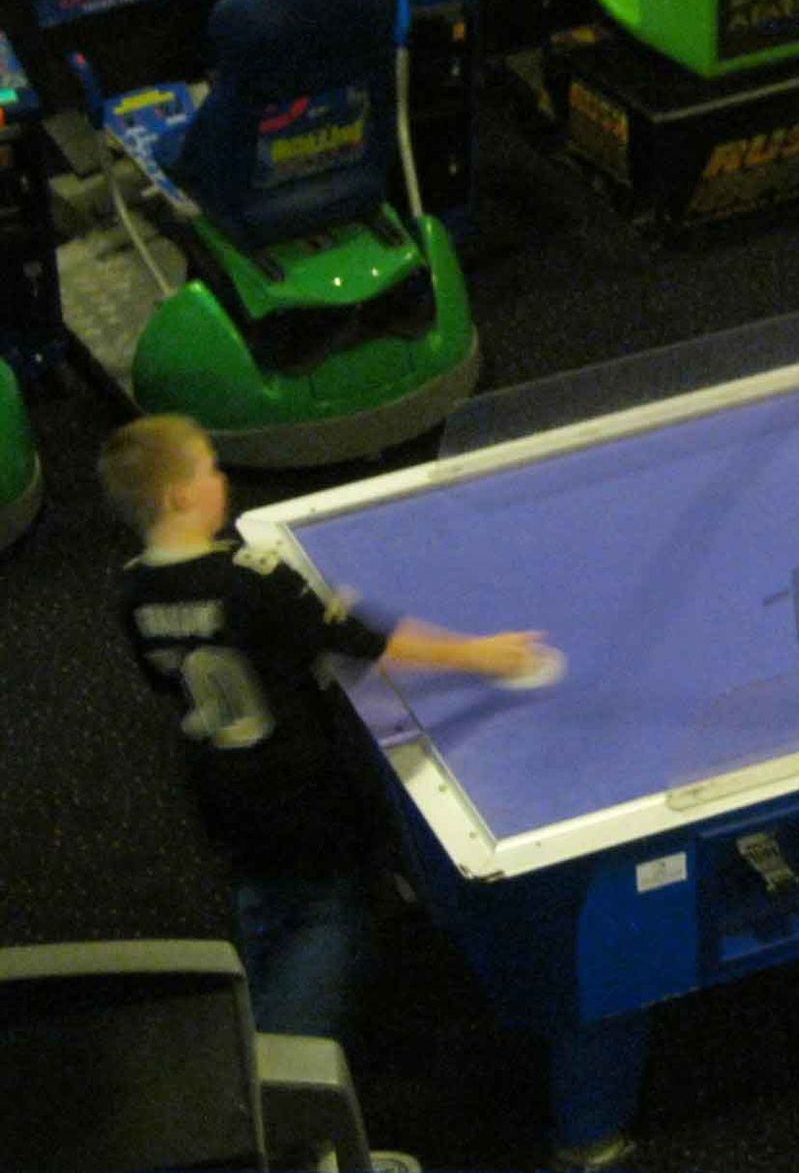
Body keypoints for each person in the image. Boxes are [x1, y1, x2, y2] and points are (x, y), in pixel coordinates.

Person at [97, 414, 549, 1061]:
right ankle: (286, 1078)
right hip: (300, 792)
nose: (222, 479)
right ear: (181, 496)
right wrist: (480, 654)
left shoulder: (132, 590)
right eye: (210, 468)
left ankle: (250, 1017)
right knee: (329, 920)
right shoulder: (254, 578)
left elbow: (162, 680)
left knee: (262, 897)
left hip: (220, 791)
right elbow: (366, 644)